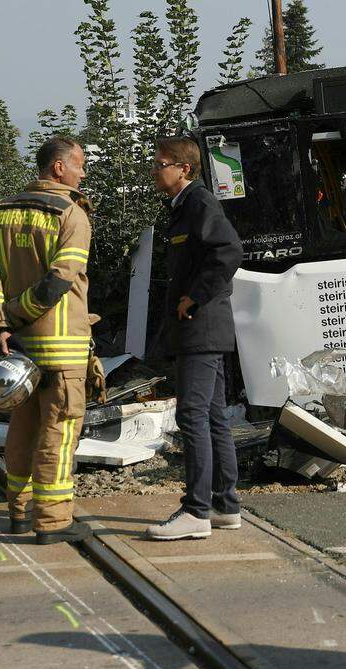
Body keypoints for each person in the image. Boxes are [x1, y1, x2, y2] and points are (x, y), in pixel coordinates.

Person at [0, 137, 94, 545]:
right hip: (62, 347)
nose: (82, 172)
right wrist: (19, 313)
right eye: (78, 164)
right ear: (58, 168)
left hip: (17, 350)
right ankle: (54, 521)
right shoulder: (72, 214)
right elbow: (61, 279)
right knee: (58, 432)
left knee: (22, 429)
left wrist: (0, 321)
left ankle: (19, 512)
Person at [146, 136, 244, 541]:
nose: (155, 171)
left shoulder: (198, 203)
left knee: (192, 415)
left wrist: (195, 296)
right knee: (214, 416)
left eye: (160, 164)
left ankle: (196, 511)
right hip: (205, 329)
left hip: (201, 329)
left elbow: (229, 250)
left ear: (184, 168)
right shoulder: (183, 207)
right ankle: (224, 505)